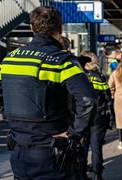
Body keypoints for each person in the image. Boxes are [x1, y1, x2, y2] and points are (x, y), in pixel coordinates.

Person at [0, 6, 97, 179]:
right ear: (60, 28)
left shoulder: (9, 59)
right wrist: (74, 134)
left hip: (18, 151)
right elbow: (88, 100)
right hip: (52, 153)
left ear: (31, 27)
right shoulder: (62, 61)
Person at [79, 51, 111, 180]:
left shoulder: (79, 76)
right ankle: (98, 174)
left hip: (82, 115)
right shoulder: (99, 76)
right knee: (96, 145)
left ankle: (82, 174)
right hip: (98, 115)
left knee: (82, 146)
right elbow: (107, 96)